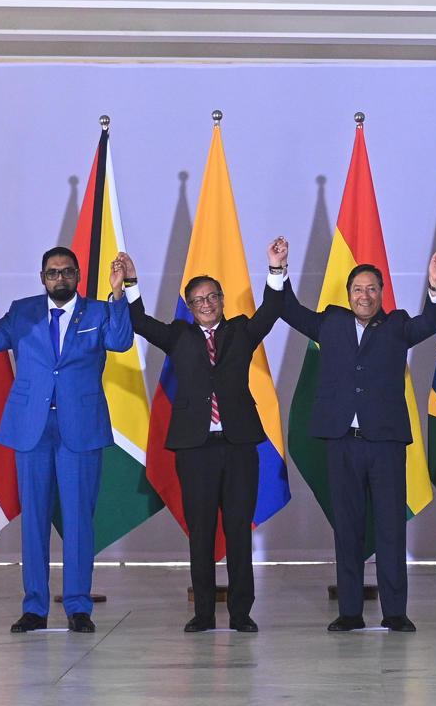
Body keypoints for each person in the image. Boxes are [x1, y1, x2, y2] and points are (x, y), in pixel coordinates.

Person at [270, 248, 436, 632]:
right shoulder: (331, 323)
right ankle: (350, 612)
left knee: (390, 528)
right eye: (357, 289)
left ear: (381, 293)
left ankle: (395, 612)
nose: (364, 295)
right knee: (347, 527)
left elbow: (432, 321)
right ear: (348, 293)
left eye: (371, 289)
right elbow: (288, 309)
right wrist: (277, 268)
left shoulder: (398, 325)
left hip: (385, 443)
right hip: (341, 442)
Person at [0, 247, 135, 634]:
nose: (59, 278)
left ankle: (78, 605)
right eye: (52, 273)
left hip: (81, 427)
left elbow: (122, 341)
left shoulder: (97, 311)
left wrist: (117, 295)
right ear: (42, 277)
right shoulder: (23, 310)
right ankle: (35, 607)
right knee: (35, 521)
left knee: (79, 521)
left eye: (66, 272)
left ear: (77, 276)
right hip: (32, 427)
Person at [121, 242, 283, 634]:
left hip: (240, 445)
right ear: (189, 307)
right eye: (198, 300)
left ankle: (242, 613)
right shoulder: (179, 335)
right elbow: (139, 321)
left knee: (239, 527)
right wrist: (131, 281)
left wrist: (276, 268)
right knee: (202, 531)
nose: (206, 304)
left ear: (222, 300)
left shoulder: (242, 330)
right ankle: (205, 613)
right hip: (195, 449)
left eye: (212, 297)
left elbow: (273, 310)